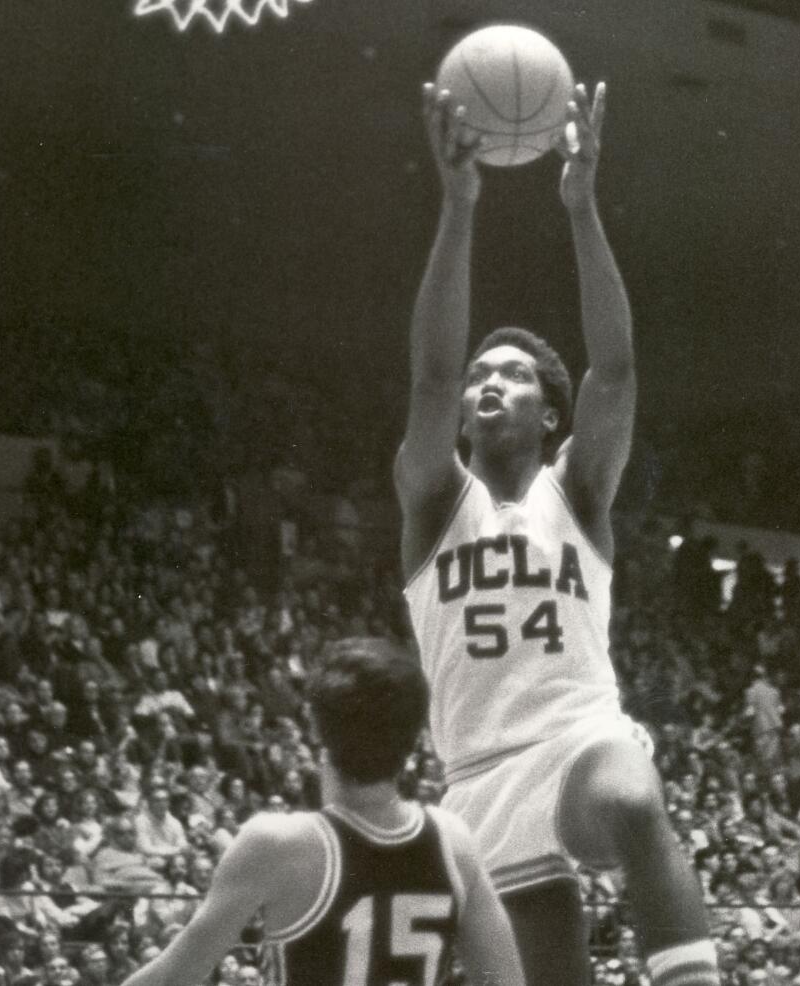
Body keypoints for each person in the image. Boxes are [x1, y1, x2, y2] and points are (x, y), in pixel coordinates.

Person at [397, 80, 714, 986]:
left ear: (549, 414)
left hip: (578, 740)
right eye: (479, 377)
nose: (484, 383)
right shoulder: (431, 503)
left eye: (513, 376)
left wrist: (581, 207)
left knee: (630, 795)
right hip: (478, 778)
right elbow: (427, 375)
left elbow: (615, 366)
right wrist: (459, 208)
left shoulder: (575, 491)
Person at [119, 638, 524, 986]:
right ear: (415, 735)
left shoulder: (278, 843)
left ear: (315, 727)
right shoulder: (453, 842)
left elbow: (174, 976)